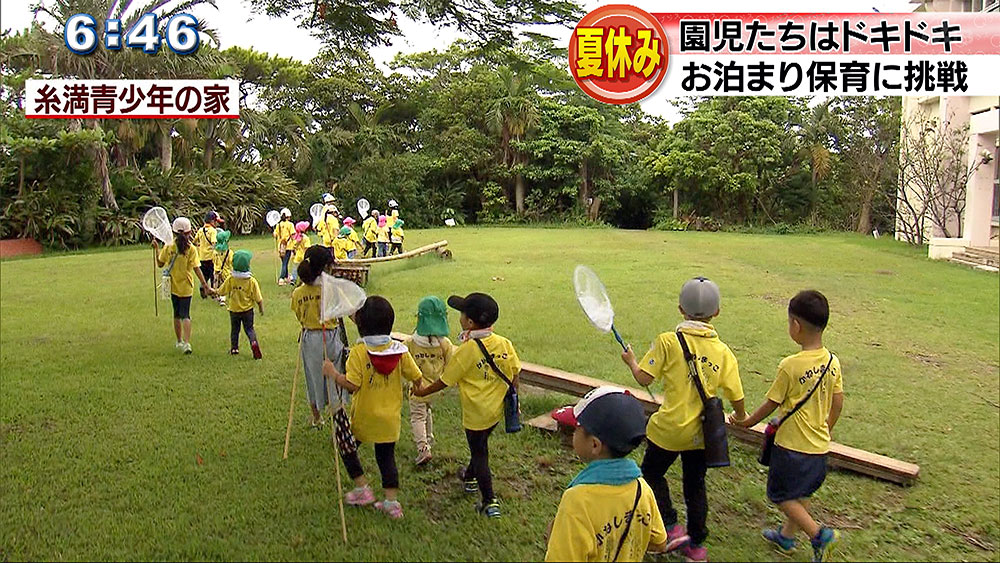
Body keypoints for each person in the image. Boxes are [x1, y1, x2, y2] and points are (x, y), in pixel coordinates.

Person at [619, 277, 747, 562]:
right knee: (695, 485)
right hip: (702, 435)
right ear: (717, 312)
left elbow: (644, 377)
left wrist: (631, 361)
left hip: (667, 430)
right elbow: (736, 395)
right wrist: (740, 416)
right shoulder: (723, 352)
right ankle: (697, 546)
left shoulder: (667, 341)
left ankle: (670, 525)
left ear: (680, 309)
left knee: (651, 474)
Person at [732, 290, 843, 563]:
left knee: (781, 495)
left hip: (792, 447)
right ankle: (786, 536)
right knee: (801, 493)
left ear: (796, 326)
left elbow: (771, 404)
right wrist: (827, 427)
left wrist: (746, 422)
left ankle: (819, 535)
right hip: (819, 447)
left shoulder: (790, 366)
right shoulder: (832, 362)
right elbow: (838, 402)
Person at [412, 292, 520, 519]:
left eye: (461, 314)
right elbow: (515, 372)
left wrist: (422, 391)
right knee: (479, 446)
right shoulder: (504, 343)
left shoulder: (466, 351)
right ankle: (469, 476)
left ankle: (489, 501)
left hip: (476, 415)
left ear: (469, 322)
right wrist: (514, 397)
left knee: (480, 453)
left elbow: (445, 381)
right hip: (496, 411)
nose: (459, 317)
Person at [324, 295, 423, 519]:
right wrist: (417, 388)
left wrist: (333, 374)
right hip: (390, 420)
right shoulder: (400, 350)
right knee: (386, 458)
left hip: (364, 418)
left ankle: (362, 488)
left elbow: (352, 386)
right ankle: (392, 503)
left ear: (361, 325)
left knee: (346, 447)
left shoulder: (359, 353)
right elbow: (416, 377)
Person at [546, 387, 668, 562]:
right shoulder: (642, 489)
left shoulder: (577, 500)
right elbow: (659, 542)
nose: (573, 434)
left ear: (595, 445)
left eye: (575, 430)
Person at [290, 246, 348, 427]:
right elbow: (343, 310)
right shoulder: (333, 289)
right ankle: (340, 416)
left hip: (310, 338)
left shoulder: (298, 293)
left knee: (313, 376)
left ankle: (316, 416)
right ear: (325, 268)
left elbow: (299, 316)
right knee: (335, 374)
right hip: (330, 336)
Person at [404, 296, 454, 466]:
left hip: (417, 389)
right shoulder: (445, 344)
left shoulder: (410, 343)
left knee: (418, 416)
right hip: (435, 388)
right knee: (427, 411)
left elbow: (402, 363)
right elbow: (451, 365)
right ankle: (429, 439)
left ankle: (423, 448)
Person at [153, 217, 213, 354]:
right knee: (186, 314)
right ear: (189, 232)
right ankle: (187, 343)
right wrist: (205, 285)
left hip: (173, 285)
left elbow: (160, 264)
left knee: (176, 313)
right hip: (187, 286)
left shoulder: (168, 246)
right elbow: (197, 269)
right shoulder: (191, 249)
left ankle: (179, 340)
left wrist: (156, 249)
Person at [218, 249, 264, 359]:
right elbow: (258, 298)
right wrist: (261, 309)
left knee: (235, 330)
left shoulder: (231, 279)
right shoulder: (251, 281)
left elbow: (221, 291)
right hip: (247, 310)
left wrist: (212, 290)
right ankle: (253, 343)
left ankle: (234, 348)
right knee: (249, 329)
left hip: (234, 310)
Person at [193, 211, 222, 298]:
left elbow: (194, 241)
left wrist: (199, 245)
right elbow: (214, 243)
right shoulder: (213, 231)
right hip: (211, 258)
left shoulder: (200, 230)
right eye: (216, 221)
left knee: (204, 275)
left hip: (201, 257)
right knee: (213, 276)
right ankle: (213, 292)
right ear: (212, 221)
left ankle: (203, 287)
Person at [273, 208, 295, 286]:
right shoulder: (290, 224)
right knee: (285, 263)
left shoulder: (278, 225)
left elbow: (275, 234)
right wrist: (295, 244)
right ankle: (281, 278)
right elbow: (293, 235)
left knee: (284, 262)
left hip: (281, 247)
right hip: (288, 246)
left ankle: (286, 277)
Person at [212, 230, 233, 307]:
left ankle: (218, 297)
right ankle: (223, 299)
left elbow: (213, 260)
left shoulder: (215, 252)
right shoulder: (229, 252)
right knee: (228, 285)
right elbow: (231, 262)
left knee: (219, 285)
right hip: (226, 272)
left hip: (217, 271)